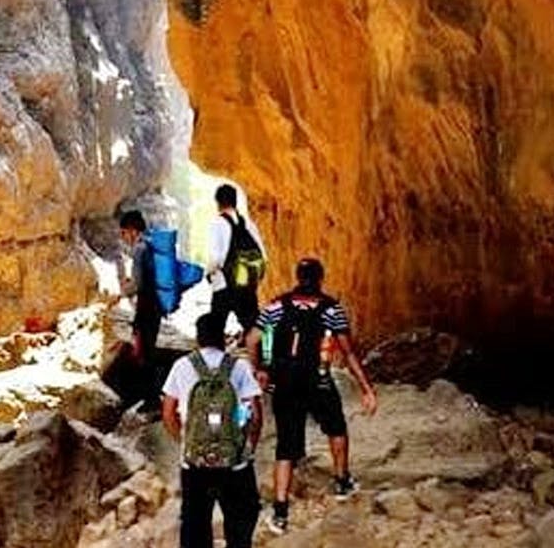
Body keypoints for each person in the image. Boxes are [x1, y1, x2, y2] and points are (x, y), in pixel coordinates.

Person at [246, 257, 378, 534]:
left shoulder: (276, 306)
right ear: (320, 279)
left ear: (297, 277)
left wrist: (258, 369)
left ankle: (280, 513)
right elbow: (348, 352)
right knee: (336, 427)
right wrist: (366, 388)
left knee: (286, 446)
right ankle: (342, 481)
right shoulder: (332, 309)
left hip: (283, 383)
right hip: (317, 380)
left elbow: (252, 339)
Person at [162, 313, 262, 548]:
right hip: (234, 462)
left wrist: (186, 442)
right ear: (223, 338)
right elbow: (255, 415)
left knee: (194, 526)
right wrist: (247, 448)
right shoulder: (239, 367)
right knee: (241, 521)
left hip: (195, 463)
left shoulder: (182, 366)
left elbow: (168, 412)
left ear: (198, 338)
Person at [206, 184, 267, 336]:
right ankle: (264, 357)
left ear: (218, 202)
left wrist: (209, 273)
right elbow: (263, 255)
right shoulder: (248, 224)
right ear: (235, 201)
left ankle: (214, 358)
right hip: (245, 284)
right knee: (253, 326)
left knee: (214, 327)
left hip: (224, 284)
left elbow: (216, 257)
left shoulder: (217, 223)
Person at [119, 210, 162, 410]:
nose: (123, 238)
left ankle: (151, 400)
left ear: (132, 230)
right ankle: (153, 396)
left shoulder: (139, 249)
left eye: (123, 233)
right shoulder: (151, 246)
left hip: (146, 306)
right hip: (156, 306)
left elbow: (138, 284)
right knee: (149, 350)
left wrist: (122, 292)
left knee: (144, 353)